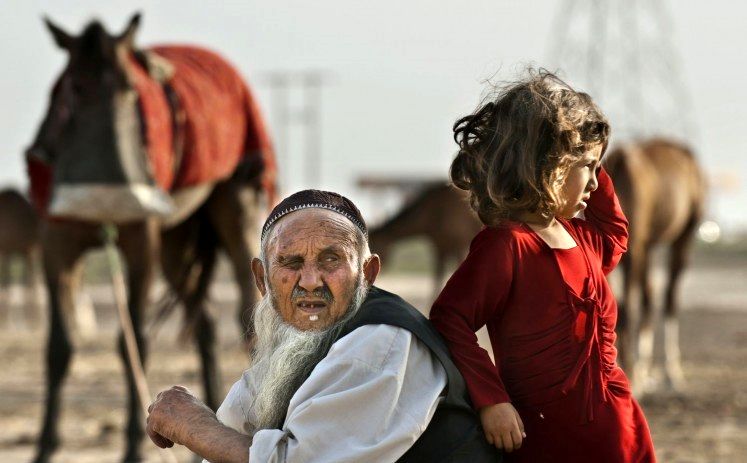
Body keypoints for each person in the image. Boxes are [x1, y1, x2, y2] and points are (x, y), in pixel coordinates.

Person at [146, 189, 499, 462]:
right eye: (291, 262)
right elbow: (230, 436)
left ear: (368, 274)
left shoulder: (381, 342)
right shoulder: (296, 342)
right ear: (262, 279)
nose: (311, 280)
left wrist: (192, 425)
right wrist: (193, 424)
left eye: (331, 260)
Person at [429, 70, 656, 462]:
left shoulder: (584, 240)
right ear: (546, 162)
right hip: (548, 440)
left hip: (621, 430)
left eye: (597, 167)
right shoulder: (507, 247)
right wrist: (491, 401)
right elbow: (450, 319)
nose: (595, 183)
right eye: (586, 166)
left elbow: (617, 234)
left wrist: (590, 153)